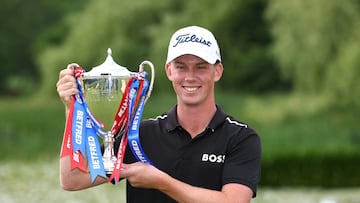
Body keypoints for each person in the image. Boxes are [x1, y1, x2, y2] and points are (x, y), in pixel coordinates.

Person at [56, 25, 261, 203]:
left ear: (217, 71)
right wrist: (73, 110)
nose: (190, 77)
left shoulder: (241, 138)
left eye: (201, 67)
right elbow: (73, 179)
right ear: (169, 71)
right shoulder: (140, 135)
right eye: (181, 67)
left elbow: (232, 201)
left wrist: (162, 182)